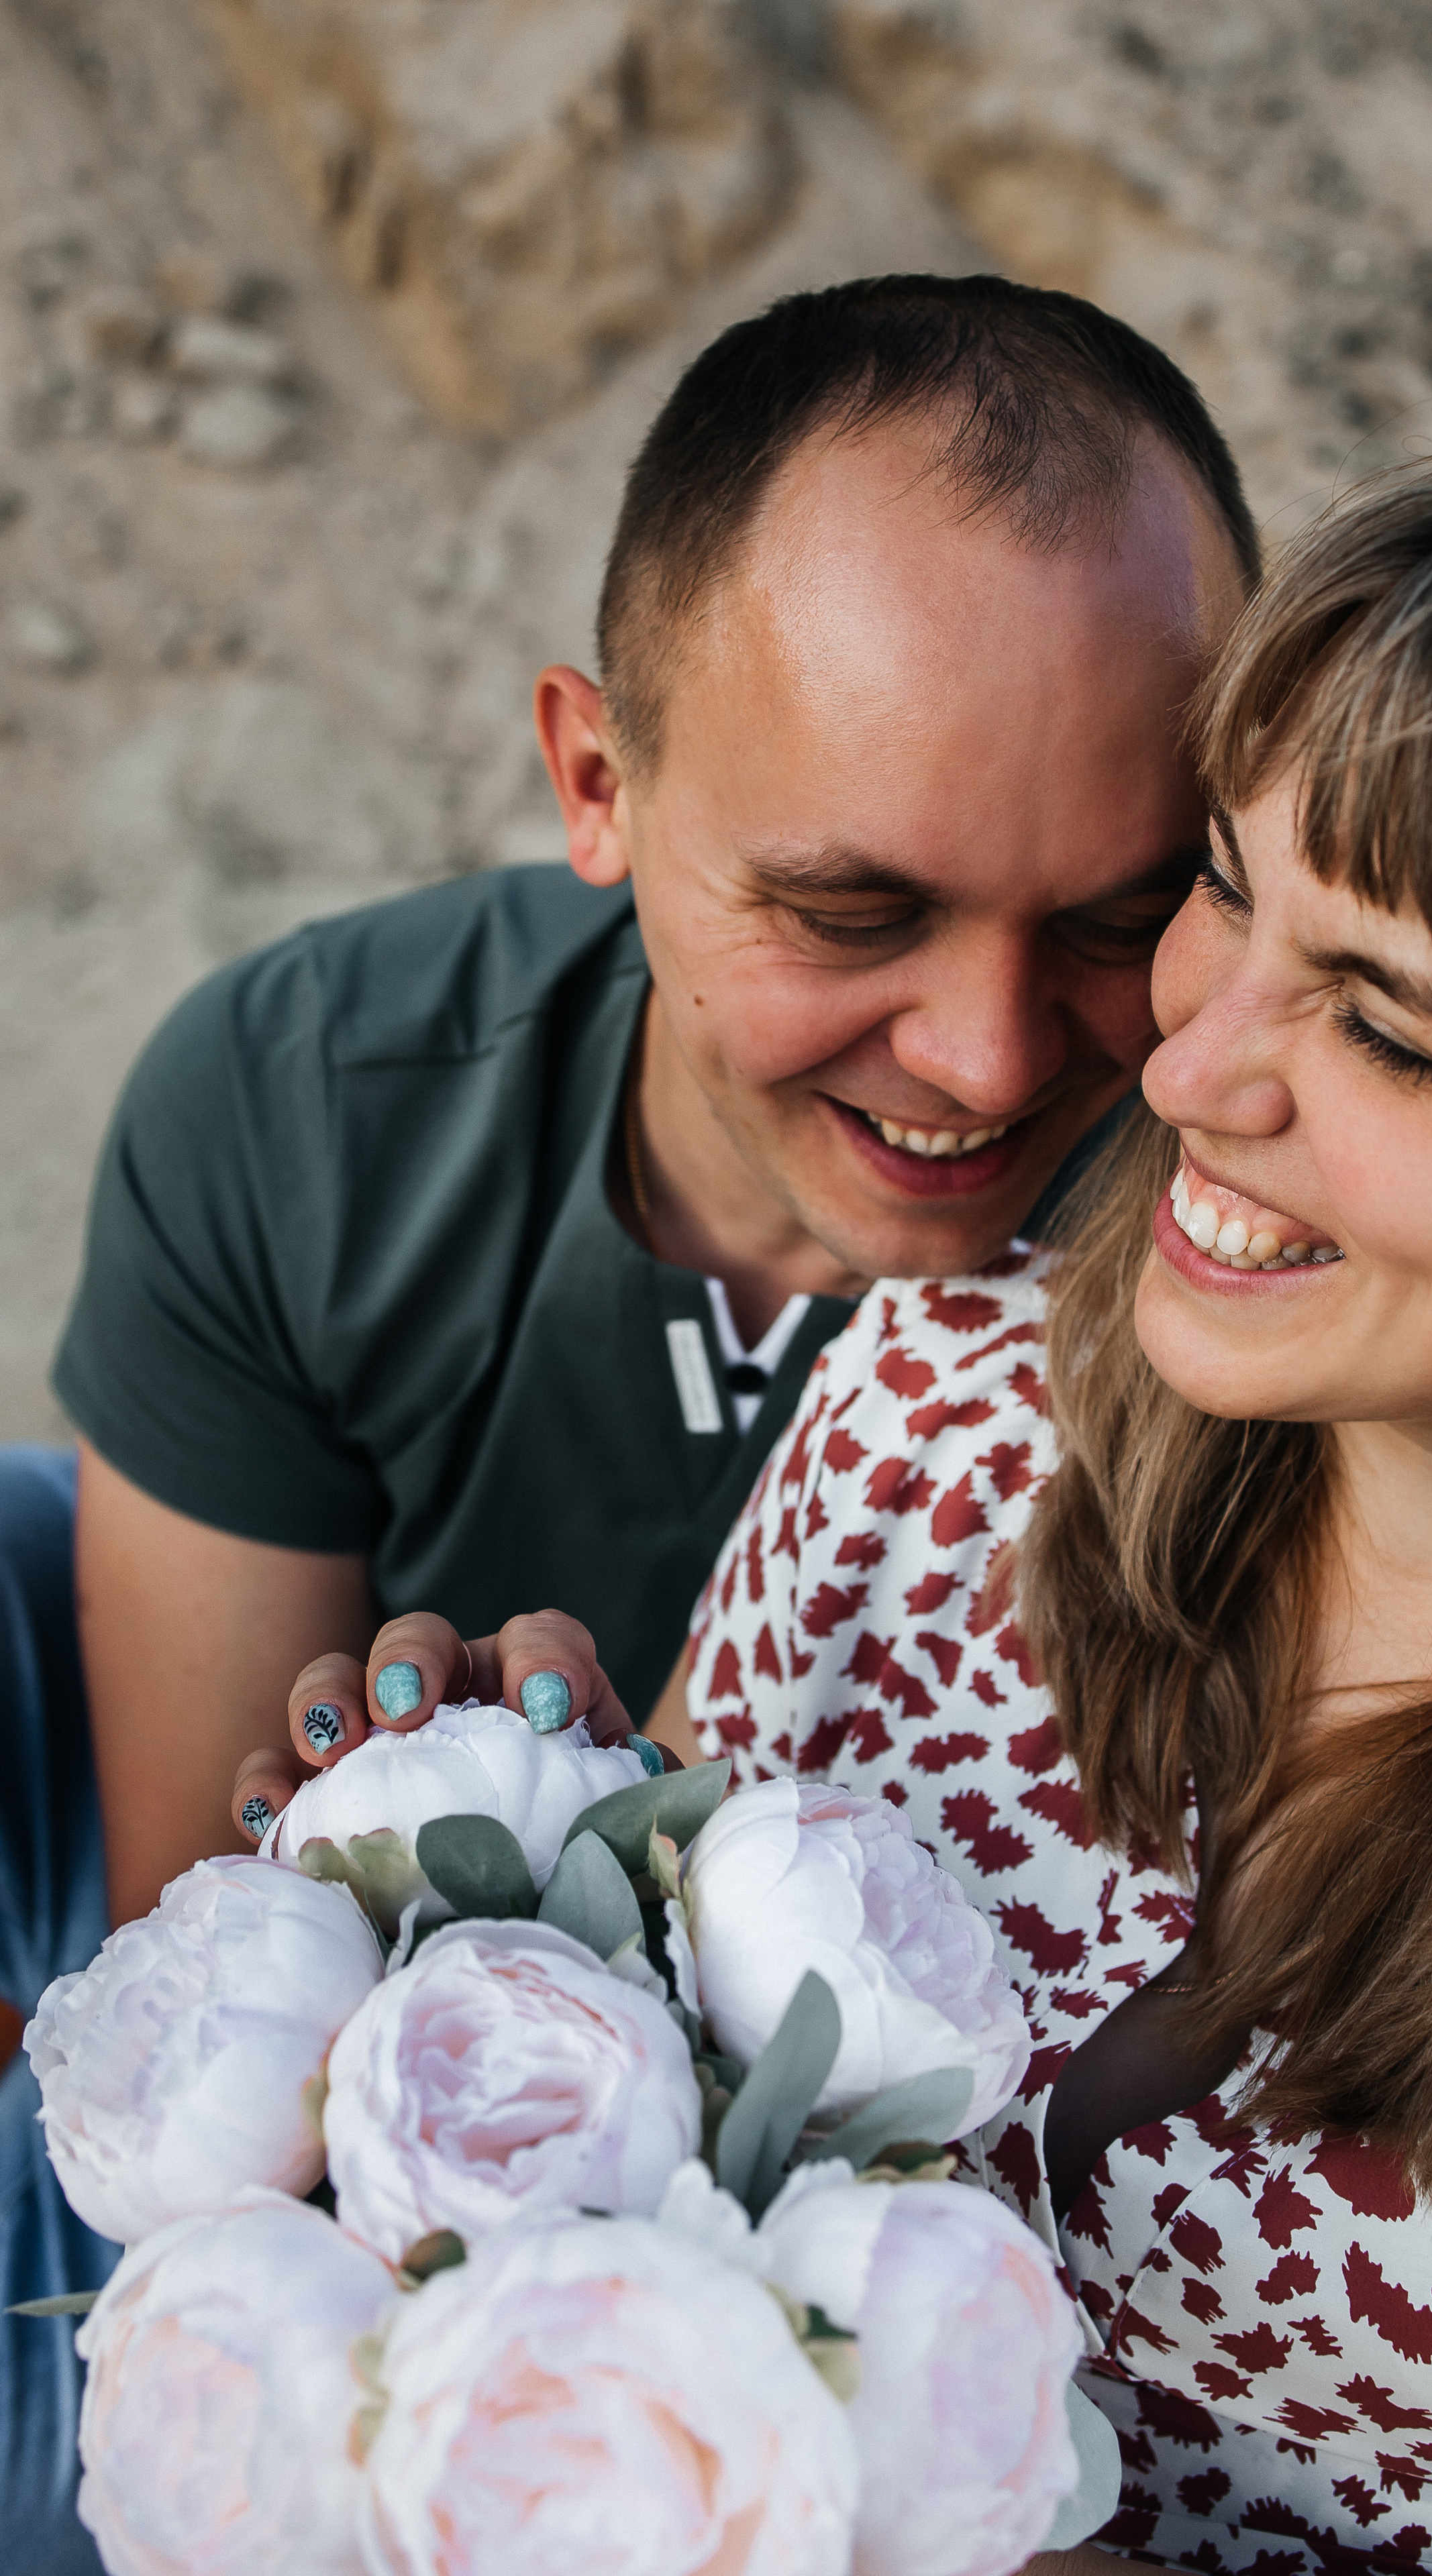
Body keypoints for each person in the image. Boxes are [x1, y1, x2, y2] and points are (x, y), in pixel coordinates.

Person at [1, 276, 1256, 2568]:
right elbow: (222, 1973)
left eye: (1119, 911)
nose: (985, 1058)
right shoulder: (300, 1111)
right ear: (598, 779)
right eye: (849, 906)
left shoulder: (1269, 1220)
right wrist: (380, 1848)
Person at [666, 428, 1432, 2568]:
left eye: (1395, 1034)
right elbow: (643, 2125)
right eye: (1225, 892)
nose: (1184, 1072)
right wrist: (477, 1901)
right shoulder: (938, 1414)